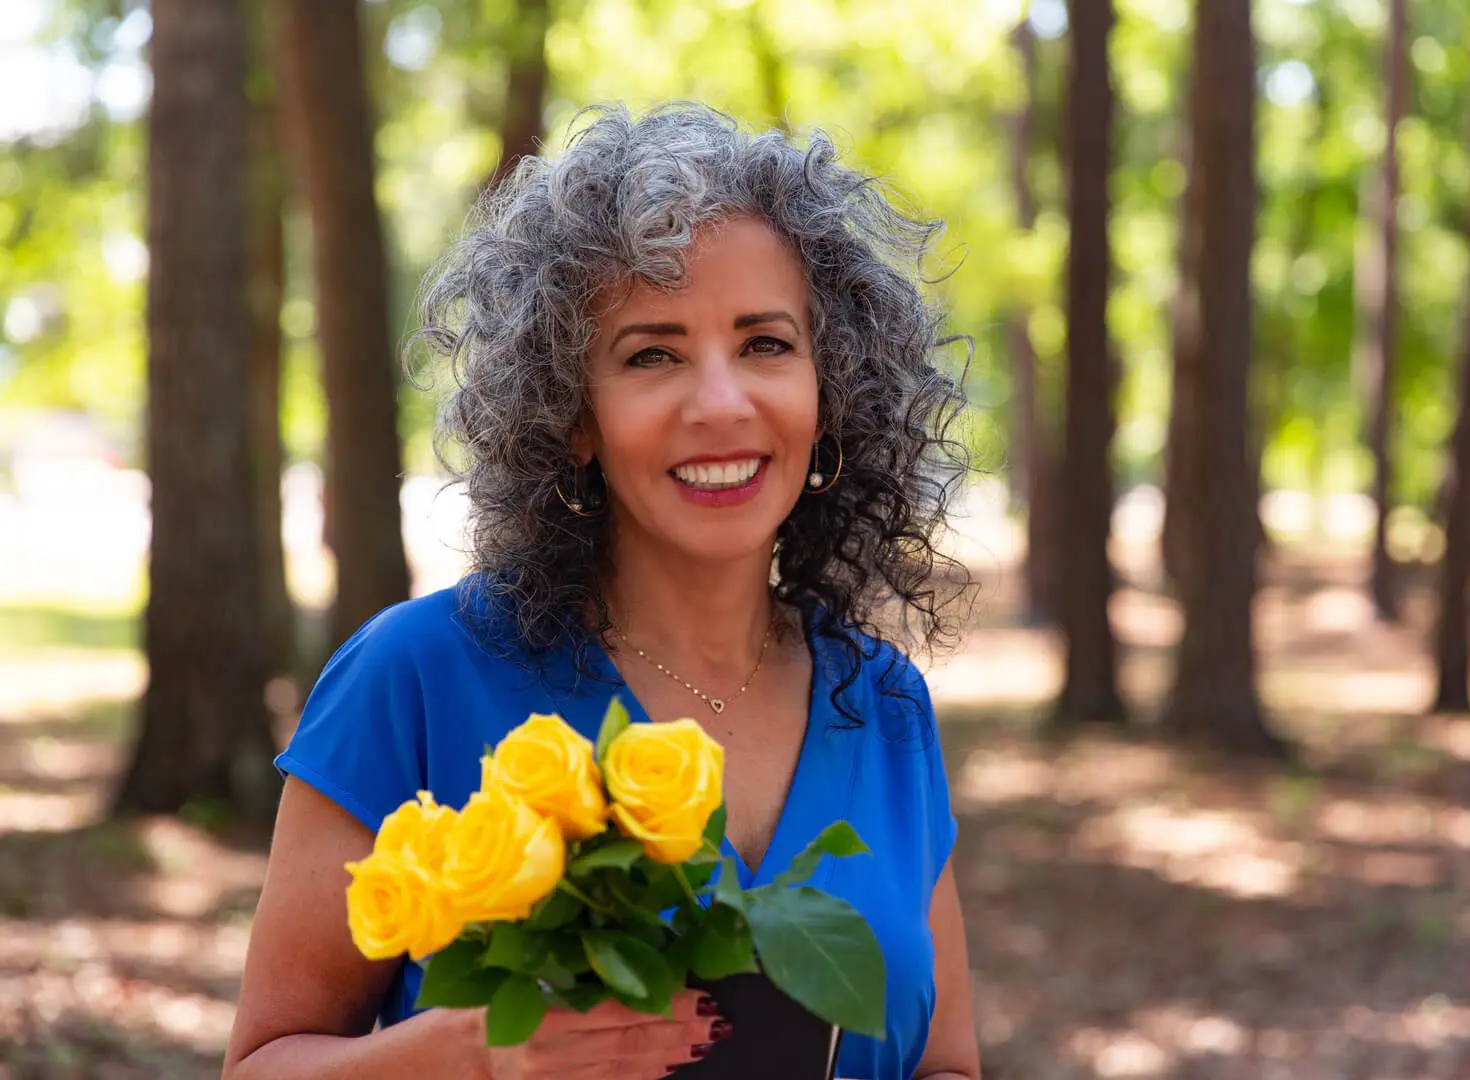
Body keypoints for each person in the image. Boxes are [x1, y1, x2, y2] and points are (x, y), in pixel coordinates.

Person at [223, 102, 980, 1080]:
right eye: (652, 354)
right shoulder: (412, 679)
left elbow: (946, 1063)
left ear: (830, 393)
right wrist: (474, 1054)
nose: (721, 402)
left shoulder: (882, 703)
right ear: (571, 417)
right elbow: (261, 1066)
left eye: (766, 345)